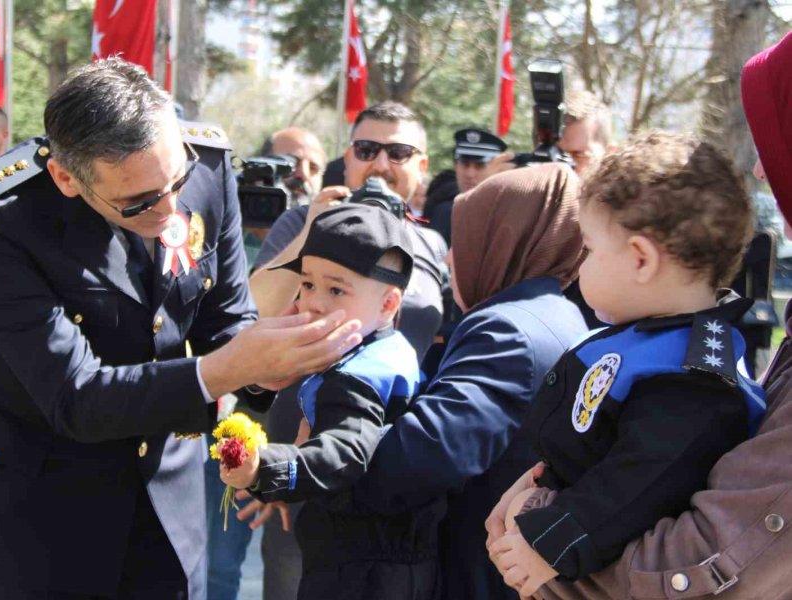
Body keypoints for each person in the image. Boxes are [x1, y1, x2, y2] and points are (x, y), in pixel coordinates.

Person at [0, 57, 363, 599]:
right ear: (66, 178)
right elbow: (73, 394)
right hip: (45, 506)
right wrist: (225, 370)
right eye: (139, 201)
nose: (171, 210)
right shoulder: (2, 211)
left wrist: (274, 366)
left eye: (178, 180)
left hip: (168, 498)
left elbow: (225, 319)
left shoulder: (208, 164)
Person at [490, 30, 792, 600]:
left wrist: (546, 537)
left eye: (590, 250)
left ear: (639, 259)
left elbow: (638, 481)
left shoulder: (690, 381)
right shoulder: (661, 339)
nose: (582, 265)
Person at [351, 163, 589, 599]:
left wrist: (308, 464)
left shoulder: (506, 331)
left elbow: (417, 458)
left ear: (499, 243)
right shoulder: (555, 313)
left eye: (464, 239)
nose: (447, 258)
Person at [244, 101, 449, 600]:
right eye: (366, 149)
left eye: (398, 151)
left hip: (394, 474)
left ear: (422, 167)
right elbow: (253, 316)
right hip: (305, 462)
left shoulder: (434, 244)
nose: (380, 163)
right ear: (347, 157)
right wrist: (279, 468)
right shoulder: (303, 223)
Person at [204, 125, 327, 600]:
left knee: (290, 568)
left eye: (313, 166)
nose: (300, 175)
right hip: (233, 421)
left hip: (299, 427)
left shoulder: (323, 227)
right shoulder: (217, 229)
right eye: (287, 164)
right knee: (218, 562)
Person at [424, 127, 514, 246]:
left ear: (497, 169)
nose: (470, 174)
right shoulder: (444, 211)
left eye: (480, 166)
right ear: (455, 166)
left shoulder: (509, 211)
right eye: (464, 164)